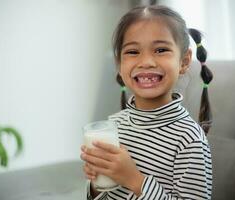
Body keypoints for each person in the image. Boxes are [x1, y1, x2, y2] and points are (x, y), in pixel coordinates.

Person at [80, 4, 213, 200]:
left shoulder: (189, 139)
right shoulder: (114, 125)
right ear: (119, 64)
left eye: (160, 49)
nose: (146, 62)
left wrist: (134, 180)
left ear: (184, 62)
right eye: (133, 52)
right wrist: (97, 183)